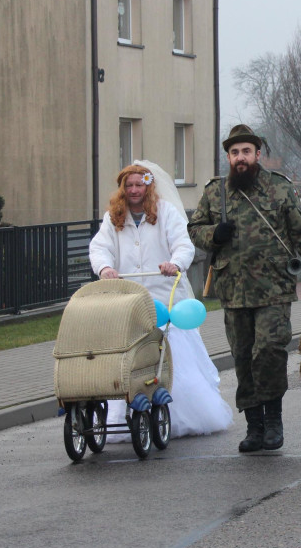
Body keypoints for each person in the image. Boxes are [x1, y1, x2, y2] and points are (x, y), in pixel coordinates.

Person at [188, 125, 301, 453]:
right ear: (228, 158)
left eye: (246, 151)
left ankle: (274, 420)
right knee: (243, 356)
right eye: (234, 153)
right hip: (234, 289)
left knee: (269, 350)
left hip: (274, 287)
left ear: (258, 155)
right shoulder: (216, 193)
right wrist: (214, 234)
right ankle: (254, 426)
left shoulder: (279, 189)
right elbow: (195, 229)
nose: (240, 158)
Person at [89, 162, 232, 440]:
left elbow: (183, 243)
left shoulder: (165, 213)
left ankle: (181, 414)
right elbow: (99, 247)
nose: (133, 190)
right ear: (123, 189)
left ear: (148, 187)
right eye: (128, 185)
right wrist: (105, 268)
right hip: (128, 300)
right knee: (130, 357)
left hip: (165, 300)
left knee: (172, 356)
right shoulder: (113, 217)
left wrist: (175, 263)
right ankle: (128, 413)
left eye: (138, 185)